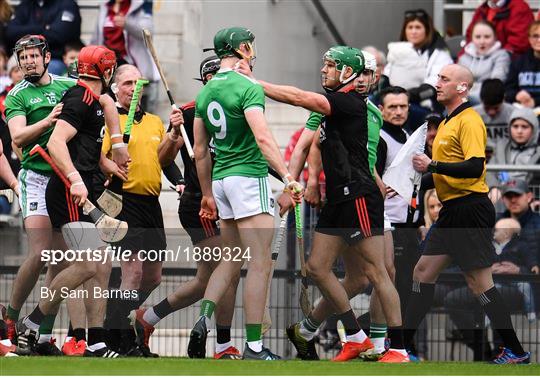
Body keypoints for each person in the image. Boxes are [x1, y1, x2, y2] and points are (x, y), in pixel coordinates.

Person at [239, 45, 409, 363]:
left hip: (358, 196)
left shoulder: (347, 102)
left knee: (377, 273)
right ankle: (356, 337)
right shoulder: (335, 107)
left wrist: (254, 83)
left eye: (330, 66)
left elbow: (299, 98)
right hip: (337, 199)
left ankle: (397, 348)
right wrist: (309, 180)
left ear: (346, 72)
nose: (324, 70)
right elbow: (314, 145)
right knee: (317, 268)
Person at [188, 26, 302, 360]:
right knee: (260, 262)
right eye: (249, 44)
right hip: (249, 178)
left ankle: (204, 317)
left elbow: (199, 150)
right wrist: (286, 176)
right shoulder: (248, 86)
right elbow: (264, 138)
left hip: (221, 180)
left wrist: (208, 193)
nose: (253, 48)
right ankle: (254, 346)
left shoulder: (206, 92)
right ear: (241, 48)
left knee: (231, 258)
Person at [406, 63, 530, 364]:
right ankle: (401, 347)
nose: (438, 84)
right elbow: (442, 171)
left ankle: (514, 350)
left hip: (469, 209)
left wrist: (432, 166)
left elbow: (475, 166)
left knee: (480, 283)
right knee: (422, 273)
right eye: (438, 78)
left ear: (462, 87)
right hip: (451, 211)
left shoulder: (469, 120)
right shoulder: (447, 121)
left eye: (445, 79)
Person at [16, 45, 125, 358]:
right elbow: (55, 143)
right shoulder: (79, 100)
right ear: (105, 72)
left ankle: (97, 341)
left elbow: (101, 114)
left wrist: (114, 153)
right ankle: (33, 321)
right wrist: (76, 180)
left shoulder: (95, 99)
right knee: (89, 264)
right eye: (111, 69)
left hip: (85, 188)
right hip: (68, 190)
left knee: (101, 266)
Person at [130, 55, 242, 360]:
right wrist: (175, 133)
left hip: (229, 202)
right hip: (199, 204)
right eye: (213, 76)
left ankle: (147, 317)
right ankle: (223, 345)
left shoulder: (242, 107)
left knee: (207, 280)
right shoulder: (189, 112)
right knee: (228, 268)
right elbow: (163, 159)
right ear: (205, 81)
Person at [99, 64, 182, 356]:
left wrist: (173, 135)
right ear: (115, 88)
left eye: (138, 83)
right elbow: (101, 157)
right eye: (127, 84)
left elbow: (165, 159)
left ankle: (122, 315)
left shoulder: (154, 122)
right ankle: (115, 333)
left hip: (151, 203)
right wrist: (111, 168)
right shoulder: (112, 121)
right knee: (132, 273)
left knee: (153, 277)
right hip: (124, 202)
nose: (134, 88)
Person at [4, 34, 77, 355]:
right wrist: (48, 120)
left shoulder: (67, 85)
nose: (29, 61)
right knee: (40, 253)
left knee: (59, 261)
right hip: (34, 177)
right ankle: (11, 318)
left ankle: (43, 335)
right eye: (23, 57)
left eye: (34, 56)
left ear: (47, 58)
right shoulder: (17, 95)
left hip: (63, 179)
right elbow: (18, 137)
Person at [91, 0, 160, 113]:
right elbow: (96, 38)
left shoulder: (141, 5)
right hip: (108, 64)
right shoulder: (106, 6)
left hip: (131, 62)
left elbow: (149, 32)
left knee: (132, 101)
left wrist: (127, 24)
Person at [383, 9, 452, 109]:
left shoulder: (440, 54)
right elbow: (387, 75)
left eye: (418, 27)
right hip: (394, 100)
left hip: (426, 104)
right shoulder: (398, 51)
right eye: (410, 27)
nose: (413, 31)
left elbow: (433, 86)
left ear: (427, 30)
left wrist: (405, 97)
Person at [5, 0, 82, 75]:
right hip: (26, 55)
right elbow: (10, 32)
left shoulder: (67, 4)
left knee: (42, 72)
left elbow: (58, 35)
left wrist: (26, 31)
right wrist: (43, 28)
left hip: (56, 58)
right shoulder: (26, 4)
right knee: (15, 71)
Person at [457, 20, 510, 102]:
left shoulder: (502, 56)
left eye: (487, 37)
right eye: (478, 37)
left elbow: (495, 85)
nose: (482, 42)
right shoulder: (463, 58)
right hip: (464, 99)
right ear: (472, 38)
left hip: (488, 100)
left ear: (495, 37)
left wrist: (469, 91)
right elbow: (457, 83)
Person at [464, 0, 533, 57]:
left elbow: (518, 45)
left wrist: (490, 59)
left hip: (507, 63)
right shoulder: (482, 8)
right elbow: (469, 38)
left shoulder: (519, 8)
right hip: (479, 60)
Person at [489, 108, 539, 185]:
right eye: (515, 126)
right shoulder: (500, 148)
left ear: (534, 129)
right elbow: (490, 174)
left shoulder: (538, 152)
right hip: (500, 194)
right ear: (509, 128)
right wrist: (493, 188)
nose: (519, 131)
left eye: (524, 127)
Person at [505, 20, 540, 108]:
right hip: (521, 107)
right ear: (529, 39)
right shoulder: (519, 62)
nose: (539, 40)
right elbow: (508, 90)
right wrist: (516, 95)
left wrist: (535, 101)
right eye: (535, 36)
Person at [473, 78, 515, 147]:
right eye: (487, 108)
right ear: (481, 100)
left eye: (496, 108)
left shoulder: (514, 113)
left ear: (503, 99)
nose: (491, 112)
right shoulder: (472, 115)